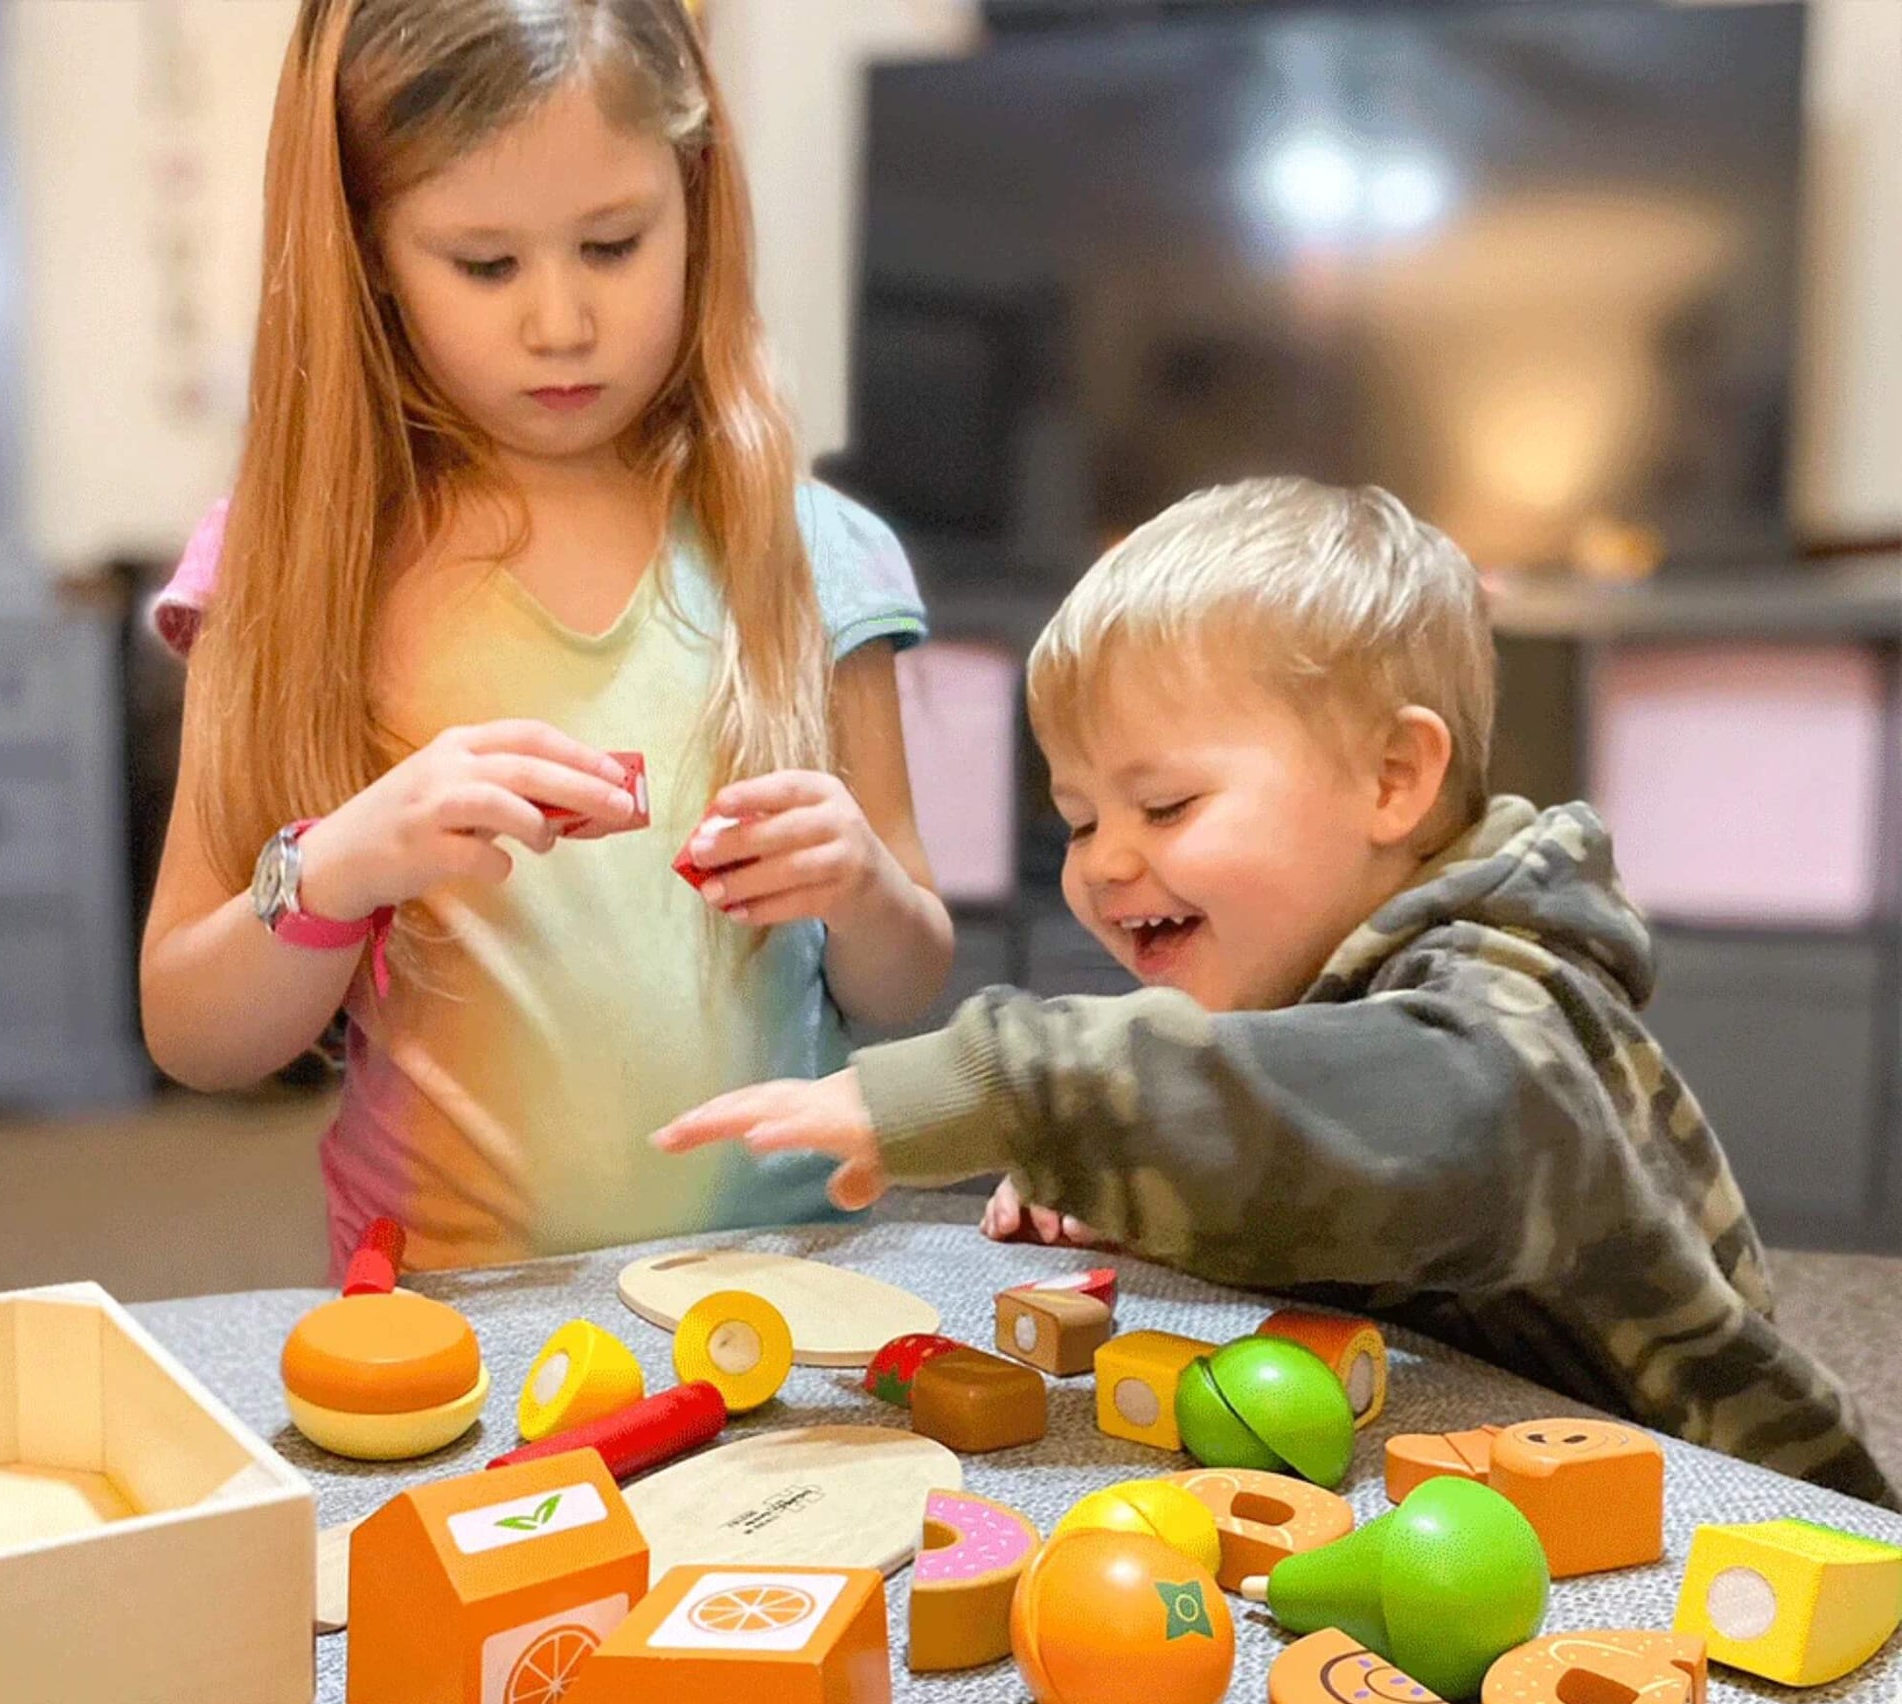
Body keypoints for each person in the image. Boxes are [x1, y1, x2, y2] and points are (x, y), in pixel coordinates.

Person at [655, 477, 1894, 1505]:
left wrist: (1031, 1093)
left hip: (1729, 1528)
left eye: (1167, 804)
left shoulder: (1512, 999)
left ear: (1393, 777)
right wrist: (1142, 1176)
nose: (1105, 864)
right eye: (1079, 820)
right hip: (1462, 1482)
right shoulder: (1289, 977)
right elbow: (1309, 1172)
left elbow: (1430, 1131)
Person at [140, 0, 952, 1275]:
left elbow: (906, 986)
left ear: (696, 200)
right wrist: (344, 864)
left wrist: (863, 887)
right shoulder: (291, 567)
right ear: (368, 252)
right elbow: (192, 1030)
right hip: (455, 1317)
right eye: (484, 263)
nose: (560, 322)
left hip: (790, 1296)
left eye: (613, 243)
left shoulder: (814, 553)